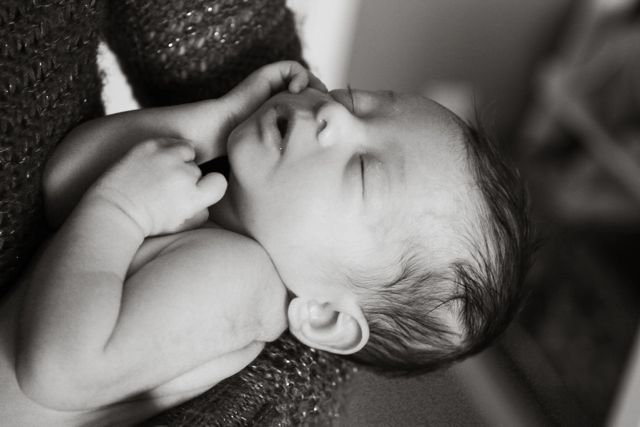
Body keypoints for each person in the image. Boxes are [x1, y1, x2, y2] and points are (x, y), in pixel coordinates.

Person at [0, 61, 531, 425]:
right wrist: (222, 120)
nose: (336, 115)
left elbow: (55, 371)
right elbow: (64, 182)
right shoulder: (217, 202)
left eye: (363, 170)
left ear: (324, 316)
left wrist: (121, 210)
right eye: (360, 102)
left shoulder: (239, 281)